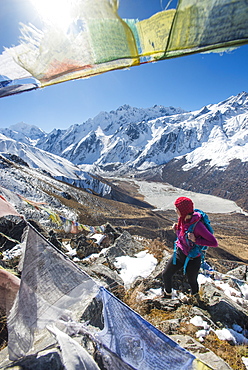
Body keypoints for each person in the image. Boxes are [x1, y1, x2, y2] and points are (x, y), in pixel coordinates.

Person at [162, 197, 218, 299]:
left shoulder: (198, 226)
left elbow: (214, 242)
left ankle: (195, 298)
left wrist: (196, 240)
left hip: (193, 258)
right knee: (166, 274)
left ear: (183, 211)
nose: (175, 211)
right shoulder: (182, 219)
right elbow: (183, 235)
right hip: (180, 253)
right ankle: (167, 295)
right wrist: (177, 230)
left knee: (192, 280)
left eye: (177, 209)